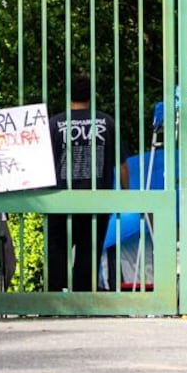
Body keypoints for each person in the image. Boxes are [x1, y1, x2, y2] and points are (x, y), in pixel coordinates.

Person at [46, 72, 129, 291]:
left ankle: (55, 301)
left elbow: (43, 163)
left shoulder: (55, 124)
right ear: (90, 95)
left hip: (60, 201)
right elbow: (121, 165)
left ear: (68, 94)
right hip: (97, 200)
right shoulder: (106, 122)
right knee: (88, 255)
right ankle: (83, 300)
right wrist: (127, 193)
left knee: (57, 253)